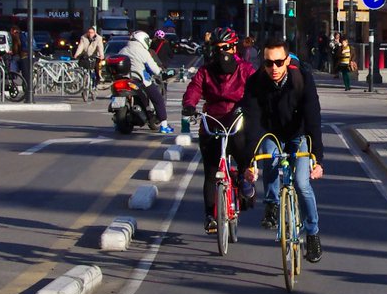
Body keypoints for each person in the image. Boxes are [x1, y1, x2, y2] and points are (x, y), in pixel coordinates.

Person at [242, 38, 325, 263]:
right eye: (269, 63)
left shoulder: (302, 79)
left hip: (298, 133)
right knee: (269, 157)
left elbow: (313, 118)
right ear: (263, 62)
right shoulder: (255, 82)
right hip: (272, 132)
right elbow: (251, 124)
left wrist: (318, 159)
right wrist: (249, 163)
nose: (274, 68)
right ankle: (271, 203)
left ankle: (313, 234)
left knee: (301, 183)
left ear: (287, 60)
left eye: (279, 62)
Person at [182, 27, 254, 233]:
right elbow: (194, 89)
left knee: (243, 150)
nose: (221, 53)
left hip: (237, 118)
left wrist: (254, 107)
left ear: (234, 48)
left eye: (225, 48)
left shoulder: (246, 69)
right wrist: (189, 105)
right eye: (217, 48)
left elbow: (257, 89)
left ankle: (243, 176)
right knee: (211, 172)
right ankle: (209, 216)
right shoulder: (206, 70)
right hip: (213, 119)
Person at [120, 30, 174, 133]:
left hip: (124, 79)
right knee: (158, 99)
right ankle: (164, 125)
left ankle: (117, 124)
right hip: (140, 79)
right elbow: (154, 68)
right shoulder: (142, 51)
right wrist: (159, 72)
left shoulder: (123, 50)